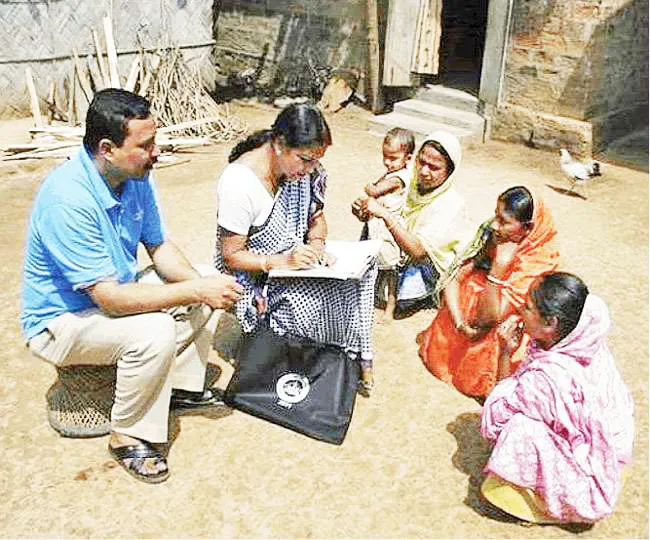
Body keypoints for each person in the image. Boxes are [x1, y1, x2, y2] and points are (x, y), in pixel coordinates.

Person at [20, 89, 243, 484]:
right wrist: (196, 291)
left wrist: (205, 286)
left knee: (204, 275)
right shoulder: (67, 199)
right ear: (107, 149)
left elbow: (159, 247)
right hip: (61, 322)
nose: (156, 152)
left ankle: (180, 388)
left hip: (108, 295)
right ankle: (127, 434)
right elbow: (110, 299)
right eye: (145, 145)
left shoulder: (134, 177)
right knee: (156, 328)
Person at [214, 103, 378, 396]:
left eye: (316, 161)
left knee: (360, 277)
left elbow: (316, 218)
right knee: (313, 302)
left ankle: (351, 358)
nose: (310, 169)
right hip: (253, 274)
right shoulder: (239, 182)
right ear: (279, 144)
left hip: (295, 260)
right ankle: (295, 359)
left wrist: (317, 245)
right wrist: (280, 262)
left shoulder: (306, 173)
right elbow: (231, 256)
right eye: (305, 160)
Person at [480, 272, 634, 524]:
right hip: (613, 458)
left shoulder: (548, 378)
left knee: (518, 430)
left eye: (528, 307)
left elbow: (494, 422)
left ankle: (547, 507)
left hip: (592, 478)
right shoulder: (586, 343)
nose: (520, 309)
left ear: (550, 323)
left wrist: (505, 353)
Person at [417, 186, 560, 399]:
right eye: (496, 215)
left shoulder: (539, 260)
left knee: (505, 321)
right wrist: (459, 323)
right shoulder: (493, 235)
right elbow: (454, 278)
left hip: (505, 328)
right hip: (470, 322)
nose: (494, 225)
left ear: (527, 228)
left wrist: (499, 267)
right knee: (472, 285)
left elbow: (490, 317)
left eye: (503, 221)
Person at [352, 130, 474, 319]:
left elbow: (418, 251)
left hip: (426, 264)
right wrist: (363, 211)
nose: (424, 171)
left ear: (449, 172)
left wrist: (385, 215)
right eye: (421, 162)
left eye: (434, 167)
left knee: (404, 294)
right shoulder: (409, 182)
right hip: (400, 253)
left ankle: (422, 294)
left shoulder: (450, 203)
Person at [362, 127, 414, 322]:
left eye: (393, 158)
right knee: (373, 266)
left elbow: (374, 191)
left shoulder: (399, 178)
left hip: (389, 232)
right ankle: (369, 300)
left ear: (407, 158)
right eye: (385, 156)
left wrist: (369, 187)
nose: (387, 162)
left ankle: (390, 308)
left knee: (391, 270)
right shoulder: (390, 173)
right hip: (377, 228)